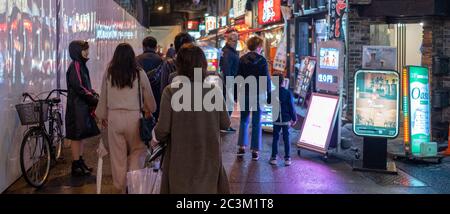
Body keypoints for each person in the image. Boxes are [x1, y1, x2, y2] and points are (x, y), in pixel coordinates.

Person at [152, 43, 231, 194]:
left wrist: (154, 135)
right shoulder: (213, 91)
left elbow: (162, 130)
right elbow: (225, 123)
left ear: (179, 65)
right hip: (208, 160)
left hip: (180, 162)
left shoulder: (171, 91)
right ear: (203, 65)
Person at [96, 43, 157, 193]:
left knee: (118, 158)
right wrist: (151, 109)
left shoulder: (109, 73)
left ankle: (121, 187)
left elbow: (103, 96)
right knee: (138, 151)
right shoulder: (139, 73)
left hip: (114, 119)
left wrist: (102, 116)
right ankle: (135, 186)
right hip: (134, 118)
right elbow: (149, 98)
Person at [65, 41, 100, 176]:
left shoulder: (80, 65)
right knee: (76, 136)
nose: (87, 52)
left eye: (87, 49)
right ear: (76, 51)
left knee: (80, 136)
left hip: (80, 106)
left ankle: (79, 161)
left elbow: (83, 86)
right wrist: (92, 97)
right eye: (84, 50)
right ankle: (76, 164)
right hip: (76, 107)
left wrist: (91, 92)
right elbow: (79, 87)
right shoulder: (76, 66)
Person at [236, 36, 272, 161]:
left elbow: (238, 77)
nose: (261, 48)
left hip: (245, 93)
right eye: (261, 46)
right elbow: (266, 79)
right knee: (257, 122)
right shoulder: (262, 61)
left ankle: (241, 147)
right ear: (258, 47)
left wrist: (235, 94)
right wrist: (269, 95)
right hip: (259, 93)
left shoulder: (242, 60)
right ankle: (255, 151)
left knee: (244, 120)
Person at [270, 73, 297, 166]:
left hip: (276, 119)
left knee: (275, 138)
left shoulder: (272, 93)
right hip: (286, 119)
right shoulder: (287, 93)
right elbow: (291, 107)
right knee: (286, 138)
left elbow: (268, 102)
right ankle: (287, 158)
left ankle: (274, 157)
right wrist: (294, 118)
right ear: (283, 82)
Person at [136, 36, 163, 120]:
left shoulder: (136, 59)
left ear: (143, 47)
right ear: (155, 47)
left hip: (141, 96)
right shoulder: (161, 60)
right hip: (157, 96)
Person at [220, 30, 239, 133]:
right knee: (229, 105)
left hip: (230, 81)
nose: (236, 42)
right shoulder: (228, 52)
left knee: (228, 104)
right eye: (234, 40)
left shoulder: (229, 51)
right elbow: (227, 69)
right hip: (229, 82)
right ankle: (225, 125)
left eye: (237, 40)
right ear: (229, 40)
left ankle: (225, 124)